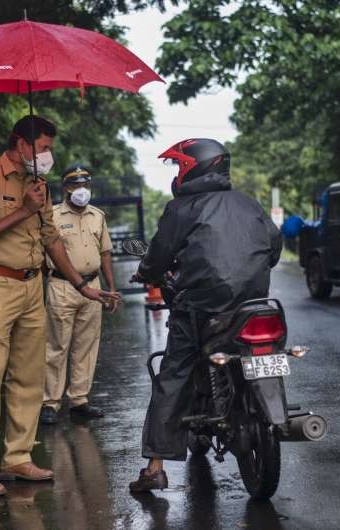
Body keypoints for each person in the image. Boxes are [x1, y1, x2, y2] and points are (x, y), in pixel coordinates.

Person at [0, 115, 120, 497]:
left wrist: (83, 286)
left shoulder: (39, 187)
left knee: (29, 376)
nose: (48, 155)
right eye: (44, 147)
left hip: (34, 286)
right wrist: (23, 210)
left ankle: (17, 457)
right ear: (21, 144)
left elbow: (52, 240)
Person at [128, 138, 283, 492]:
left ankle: (154, 468)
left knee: (174, 373)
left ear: (191, 167)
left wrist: (147, 272)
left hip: (200, 306)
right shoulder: (249, 203)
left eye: (178, 166)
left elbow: (159, 256)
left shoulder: (182, 208)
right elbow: (274, 247)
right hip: (252, 305)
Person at [40, 164, 117, 425]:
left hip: (93, 287)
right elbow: (45, 253)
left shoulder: (98, 215)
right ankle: (50, 403)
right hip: (62, 287)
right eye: (75, 185)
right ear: (65, 189)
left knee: (86, 346)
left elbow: (105, 253)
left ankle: (79, 400)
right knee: (57, 346)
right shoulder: (52, 216)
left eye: (85, 185)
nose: (81, 190)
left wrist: (111, 289)